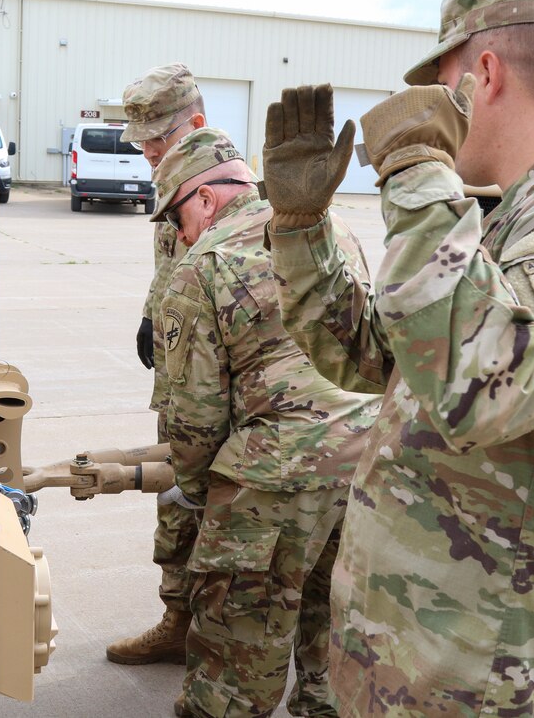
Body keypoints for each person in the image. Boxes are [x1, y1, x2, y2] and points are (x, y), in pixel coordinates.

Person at [262, 0, 534, 715]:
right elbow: (388, 361)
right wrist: (301, 230)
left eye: (441, 79)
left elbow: (480, 390)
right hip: (427, 664)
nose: (432, 101)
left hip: (486, 679)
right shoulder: (519, 213)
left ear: (484, 73)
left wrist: (417, 172)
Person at [152, 128, 382, 717]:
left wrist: (204, 494)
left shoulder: (203, 266)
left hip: (273, 479)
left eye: (175, 215)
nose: (178, 233)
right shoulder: (333, 232)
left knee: (237, 655)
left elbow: (194, 414)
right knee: (332, 630)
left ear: (204, 199)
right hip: (365, 462)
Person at [105, 62, 208, 665]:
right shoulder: (172, 185)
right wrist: (151, 313)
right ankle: (177, 619)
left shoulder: (241, 191)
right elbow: (166, 266)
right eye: (140, 140)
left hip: (226, 392)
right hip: (178, 388)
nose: (146, 151)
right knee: (174, 502)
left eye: (157, 137)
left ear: (195, 123)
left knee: (227, 515)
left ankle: (233, 637)